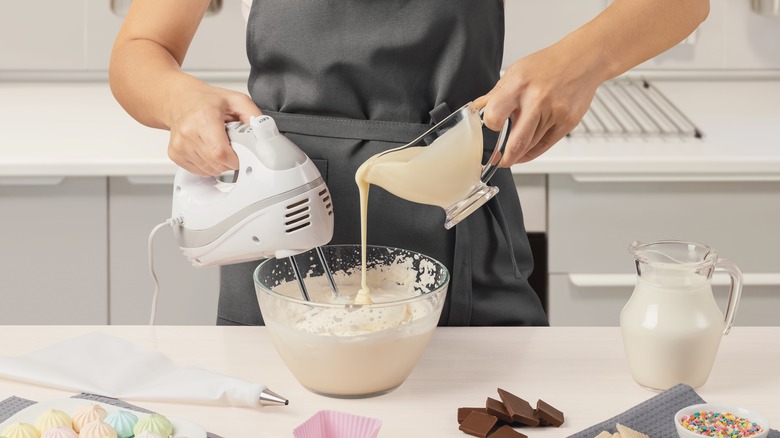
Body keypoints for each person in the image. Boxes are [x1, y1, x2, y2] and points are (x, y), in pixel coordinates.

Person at [109, 0, 709, 326]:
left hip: (457, 211)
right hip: (281, 225)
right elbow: (140, 50)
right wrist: (177, 100)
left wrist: (579, 61)